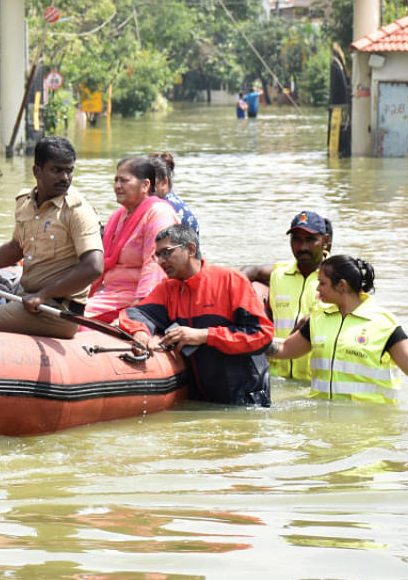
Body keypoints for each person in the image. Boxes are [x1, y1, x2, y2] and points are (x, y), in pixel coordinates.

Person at [267, 254, 408, 405]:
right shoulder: (318, 319)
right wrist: (243, 338)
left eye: (323, 283)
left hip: (370, 429)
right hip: (322, 425)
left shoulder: (384, 325)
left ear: (342, 286)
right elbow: (284, 348)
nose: (317, 288)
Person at [0, 137, 103, 339]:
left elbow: (94, 267)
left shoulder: (77, 211)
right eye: (56, 170)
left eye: (69, 170)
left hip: (53, 312)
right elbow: (15, 248)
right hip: (25, 300)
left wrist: (43, 295)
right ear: (37, 171)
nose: (65, 177)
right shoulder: (25, 203)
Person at [117, 224, 274, 406]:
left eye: (166, 252)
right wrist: (140, 333)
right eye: (157, 255)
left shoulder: (231, 280)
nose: (160, 261)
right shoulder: (168, 289)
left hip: (247, 398)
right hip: (200, 399)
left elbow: (262, 335)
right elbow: (134, 313)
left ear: (191, 249)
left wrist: (204, 336)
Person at [84, 156, 179, 322]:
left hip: (136, 298)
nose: (117, 186)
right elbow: (101, 264)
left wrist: (138, 312)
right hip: (110, 294)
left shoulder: (159, 214)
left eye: (124, 181)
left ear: (145, 185)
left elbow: (156, 266)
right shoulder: (118, 216)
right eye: (116, 181)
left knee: (76, 316)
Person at [241, 211, 332, 382]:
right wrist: (230, 289)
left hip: (314, 380)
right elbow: (252, 270)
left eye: (310, 240)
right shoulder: (279, 272)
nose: (303, 247)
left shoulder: (335, 280)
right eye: (296, 239)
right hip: (277, 377)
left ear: (325, 241)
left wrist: (314, 318)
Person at [147, 152, 199, 235]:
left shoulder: (167, 209)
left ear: (164, 182)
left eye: (149, 184)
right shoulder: (171, 202)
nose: (144, 189)